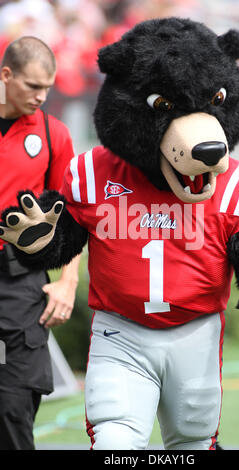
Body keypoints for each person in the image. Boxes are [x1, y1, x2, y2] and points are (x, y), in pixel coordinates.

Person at [0, 36, 81, 450]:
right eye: (33, 86)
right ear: (6, 75)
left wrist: (67, 282)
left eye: (47, 87)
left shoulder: (53, 135)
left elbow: (72, 217)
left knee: (14, 407)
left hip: (21, 282)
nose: (42, 96)